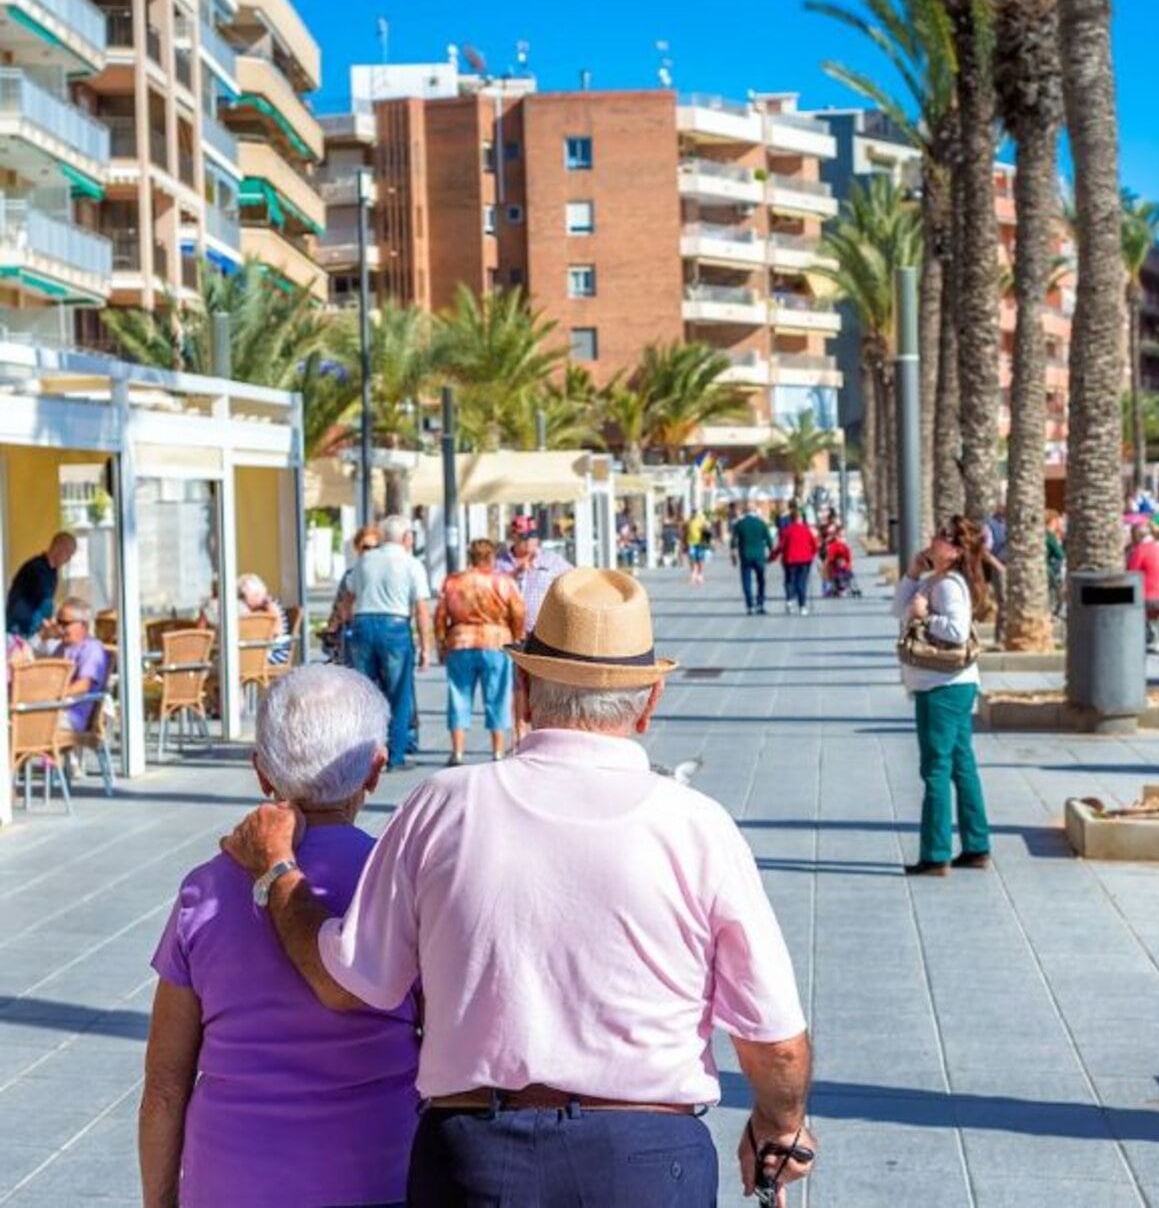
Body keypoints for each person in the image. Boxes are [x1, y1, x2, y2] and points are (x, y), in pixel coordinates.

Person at [221, 569, 816, 1208]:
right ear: (650, 701)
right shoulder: (700, 827)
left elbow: (350, 981)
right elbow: (777, 1046)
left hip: (479, 1153)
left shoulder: (444, 805)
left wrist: (279, 874)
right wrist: (777, 1130)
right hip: (649, 1158)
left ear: (524, 691)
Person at [140, 665, 419, 1208]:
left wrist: (158, 1201)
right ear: (376, 770)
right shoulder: (399, 881)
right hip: (379, 1173)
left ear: (262, 773)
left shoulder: (205, 889)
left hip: (231, 1181)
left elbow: (164, 1087)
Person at [893, 515, 992, 877]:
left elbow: (956, 630)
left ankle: (935, 854)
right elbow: (896, 611)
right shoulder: (935, 579)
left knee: (936, 767)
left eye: (939, 536)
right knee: (961, 763)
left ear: (953, 549)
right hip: (946, 683)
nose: (931, 539)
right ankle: (976, 845)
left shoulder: (949, 585)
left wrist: (926, 615)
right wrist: (912, 575)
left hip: (943, 686)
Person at [342, 514, 433, 770]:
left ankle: (363, 757)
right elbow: (421, 609)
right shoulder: (411, 563)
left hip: (363, 624)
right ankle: (395, 756)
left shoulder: (364, 561)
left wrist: (347, 622)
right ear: (406, 537)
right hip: (395, 626)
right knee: (399, 694)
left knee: (364, 693)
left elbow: (347, 599)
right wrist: (426, 647)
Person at [434, 538, 526, 765]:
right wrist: (516, 637)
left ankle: (457, 751)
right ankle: (497, 750)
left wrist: (442, 642)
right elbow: (518, 612)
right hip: (496, 641)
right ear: (492, 557)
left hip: (461, 641)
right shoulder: (503, 582)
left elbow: (439, 616)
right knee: (497, 697)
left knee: (458, 696)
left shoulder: (454, 581)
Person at [497, 515, 572, 633]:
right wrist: (516, 572)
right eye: (523, 537)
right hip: (507, 630)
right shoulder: (499, 562)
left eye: (533, 536)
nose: (529, 541)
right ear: (513, 536)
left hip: (542, 631)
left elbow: (573, 579)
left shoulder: (551, 560)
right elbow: (489, 588)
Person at [45, 598, 109, 733]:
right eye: (58, 622)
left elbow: (82, 686)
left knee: (21, 725)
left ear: (83, 626)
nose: (60, 628)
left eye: (65, 624)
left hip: (73, 716)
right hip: (55, 709)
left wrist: (50, 695)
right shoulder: (62, 648)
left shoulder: (91, 649)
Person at [323, 525, 380, 665]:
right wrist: (332, 630)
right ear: (357, 549)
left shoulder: (386, 575)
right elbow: (339, 606)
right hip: (355, 634)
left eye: (376, 547)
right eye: (366, 547)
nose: (371, 552)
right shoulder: (350, 575)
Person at [6, 531, 78, 638]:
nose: (68, 559)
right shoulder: (37, 569)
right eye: (68, 553)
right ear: (58, 548)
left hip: (31, 630)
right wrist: (55, 625)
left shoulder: (52, 572)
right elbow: (45, 605)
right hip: (19, 631)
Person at [772, 502, 820, 615]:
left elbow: (780, 546)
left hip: (790, 560)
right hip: (804, 560)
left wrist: (772, 557)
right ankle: (802, 606)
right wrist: (813, 555)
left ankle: (789, 601)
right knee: (801, 582)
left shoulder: (786, 531)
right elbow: (814, 544)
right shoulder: (806, 530)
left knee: (789, 581)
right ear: (799, 519)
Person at [237, 574, 291, 666]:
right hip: (265, 650)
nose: (242, 601)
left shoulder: (270, 606)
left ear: (255, 593)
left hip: (275, 653)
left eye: (243, 596)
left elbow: (276, 633)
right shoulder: (260, 607)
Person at [731, 500, 774, 615]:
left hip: (745, 555)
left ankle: (750, 605)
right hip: (759, 556)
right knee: (761, 580)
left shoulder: (739, 524)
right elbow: (769, 540)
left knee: (746, 581)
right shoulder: (761, 523)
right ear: (755, 510)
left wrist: (733, 555)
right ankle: (760, 604)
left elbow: (733, 541)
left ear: (745, 511)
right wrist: (771, 553)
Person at [824, 525, 856, 598]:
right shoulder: (833, 546)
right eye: (840, 536)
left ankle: (843, 588)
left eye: (843, 537)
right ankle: (839, 589)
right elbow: (830, 557)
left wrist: (849, 564)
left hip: (845, 568)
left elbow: (849, 557)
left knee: (846, 575)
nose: (842, 539)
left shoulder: (845, 547)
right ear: (836, 537)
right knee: (837, 575)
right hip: (835, 568)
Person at [683, 507, 709, 585]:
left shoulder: (701, 521)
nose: (694, 513)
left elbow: (706, 531)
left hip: (700, 543)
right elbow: (685, 531)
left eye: (695, 512)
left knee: (699, 559)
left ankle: (700, 575)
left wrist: (706, 543)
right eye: (692, 512)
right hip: (691, 543)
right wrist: (684, 543)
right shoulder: (688, 521)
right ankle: (693, 573)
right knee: (692, 559)